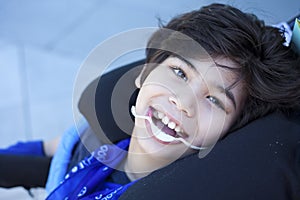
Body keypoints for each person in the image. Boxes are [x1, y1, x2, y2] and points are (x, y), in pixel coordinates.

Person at [1, 3, 300, 199]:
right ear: (143, 74)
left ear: (229, 134)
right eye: (179, 72)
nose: (183, 101)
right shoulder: (98, 138)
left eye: (214, 100)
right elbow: (52, 150)